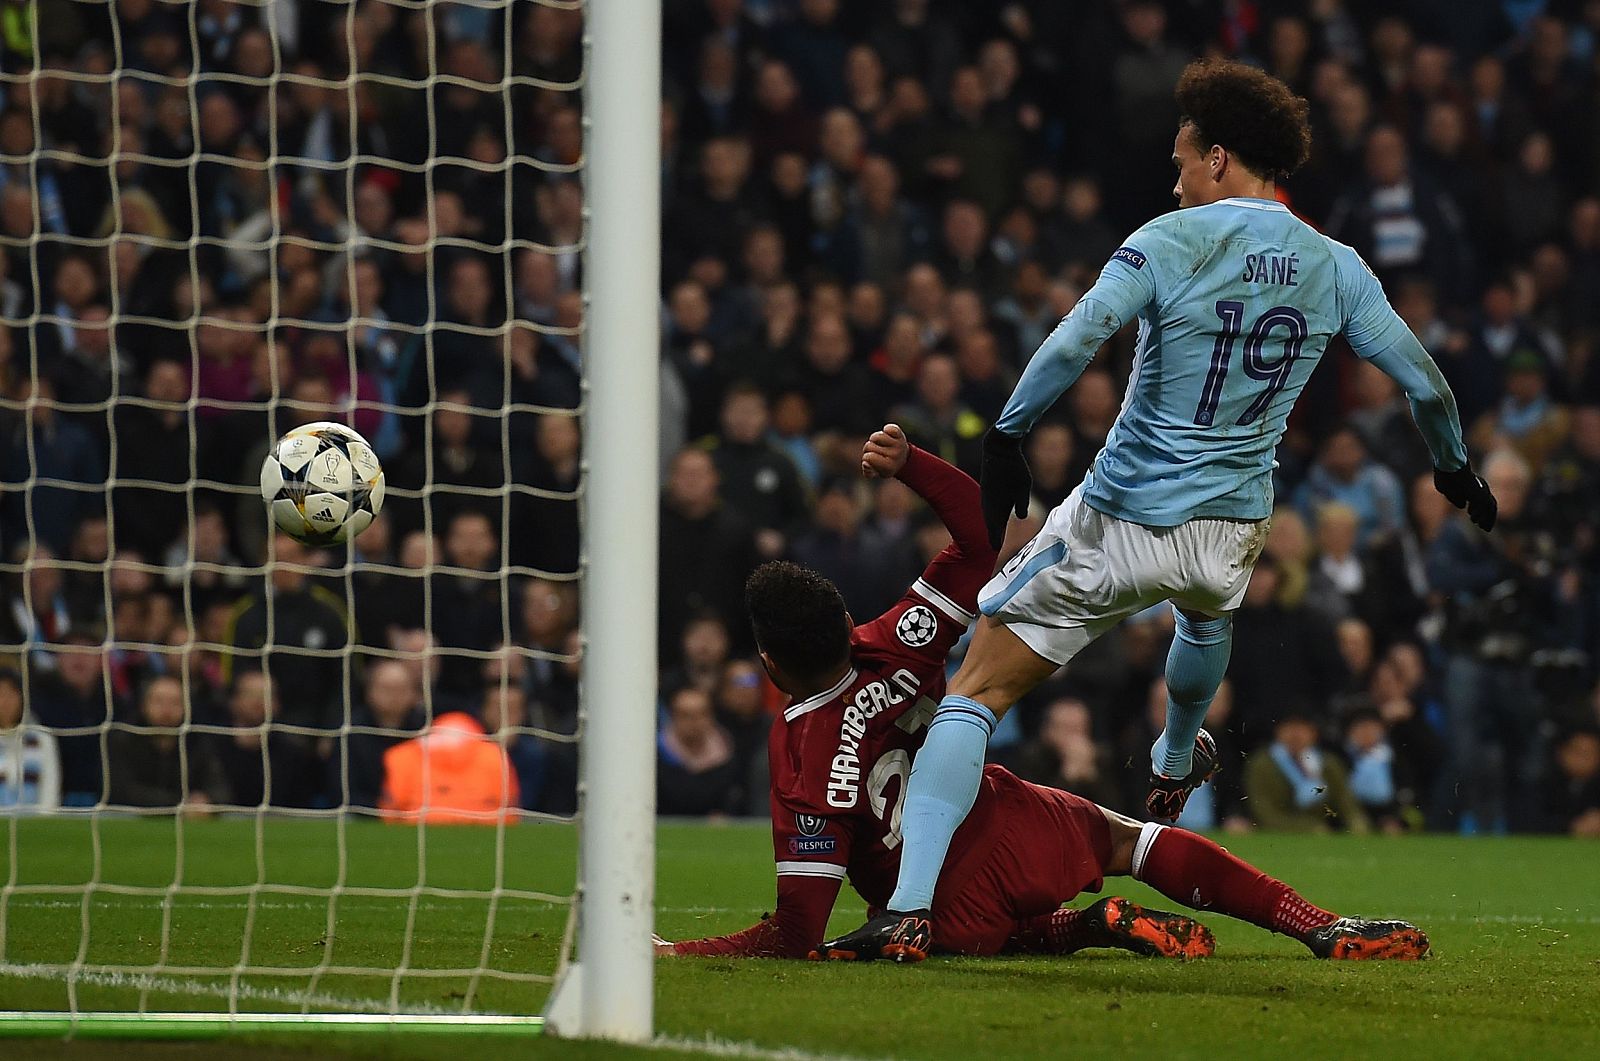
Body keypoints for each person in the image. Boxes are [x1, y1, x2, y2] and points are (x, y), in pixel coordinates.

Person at [833, 59, 1488, 960]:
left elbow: (1076, 340)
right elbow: (1425, 384)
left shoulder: (1169, 241)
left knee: (972, 690)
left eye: (1182, 158)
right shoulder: (1337, 267)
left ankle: (906, 910)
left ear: (1219, 159)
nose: (1173, 176)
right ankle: (1177, 757)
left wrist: (1008, 433)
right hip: (1230, 532)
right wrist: (1454, 469)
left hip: (1121, 517)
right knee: (1206, 618)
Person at [658, 427, 1427, 963]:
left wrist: (680, 949)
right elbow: (977, 537)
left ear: (768, 663)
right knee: (1130, 841)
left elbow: (795, 930)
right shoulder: (896, 636)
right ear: (842, 621)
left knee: (961, 930)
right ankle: (1317, 924)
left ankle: (1080, 926)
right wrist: (911, 463)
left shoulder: (796, 754)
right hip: (1004, 820)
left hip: (927, 908)